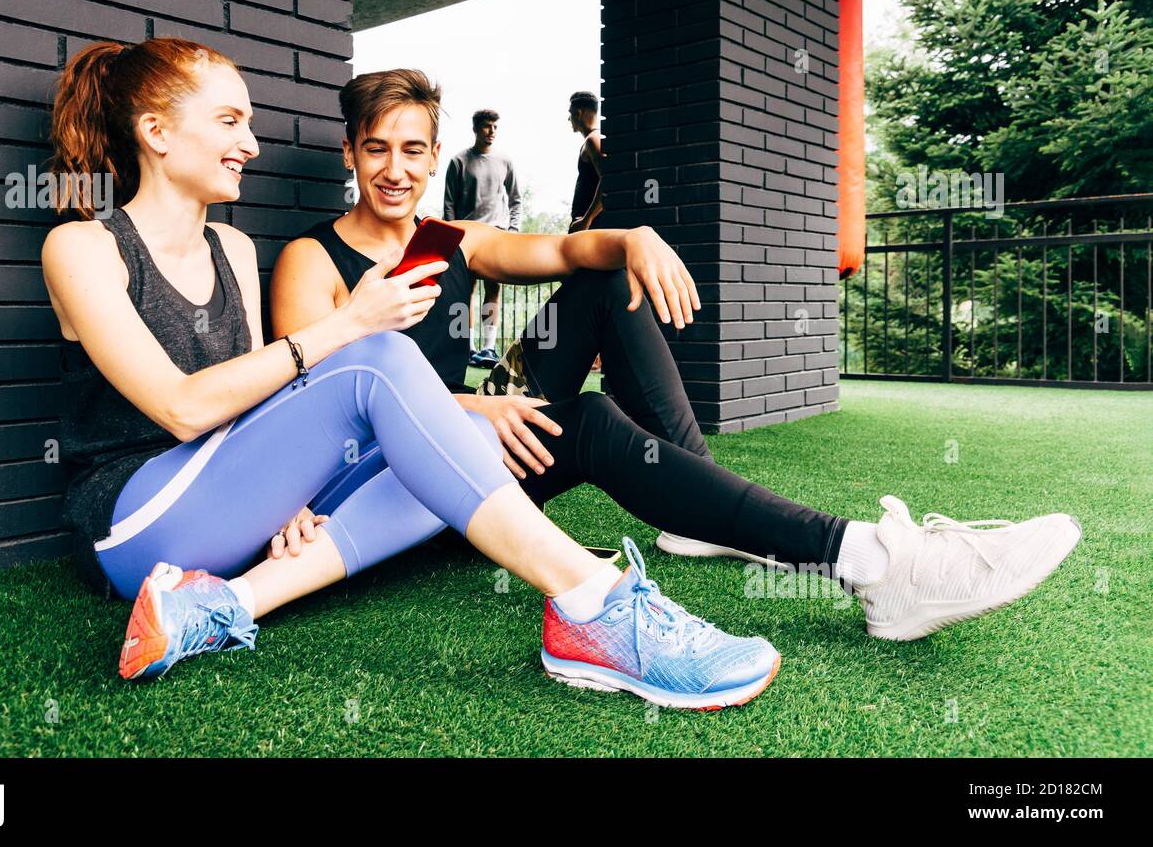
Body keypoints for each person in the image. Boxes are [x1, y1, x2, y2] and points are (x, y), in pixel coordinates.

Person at [42, 38, 781, 711]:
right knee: (381, 359)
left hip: (223, 505)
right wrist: (353, 323)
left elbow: (253, 410)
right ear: (157, 132)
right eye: (231, 121)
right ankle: (596, 604)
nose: (251, 143)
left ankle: (219, 606)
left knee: (456, 433)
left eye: (248, 123)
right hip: (132, 523)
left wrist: (283, 495)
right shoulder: (82, 247)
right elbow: (179, 409)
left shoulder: (231, 248)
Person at [275, 67, 1083, 647]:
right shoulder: (311, 262)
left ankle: (696, 512)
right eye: (377, 149)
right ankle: (873, 562)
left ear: (434, 153)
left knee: (602, 280)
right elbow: (310, 416)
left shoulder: (450, 241)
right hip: (400, 491)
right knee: (587, 418)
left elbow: (560, 248)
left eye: (414, 150)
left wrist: (633, 235)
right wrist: (468, 409)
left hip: (471, 442)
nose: (397, 170)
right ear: (349, 153)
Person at [442, 108, 522, 367]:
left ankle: (488, 349)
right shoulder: (459, 161)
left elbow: (515, 200)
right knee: (465, 292)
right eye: (487, 127)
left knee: (493, 292)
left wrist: (513, 231)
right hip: (466, 236)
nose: (491, 132)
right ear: (476, 128)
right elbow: (449, 204)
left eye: (495, 127)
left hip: (497, 235)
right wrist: (453, 235)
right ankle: (466, 347)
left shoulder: (505, 161)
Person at [567, 91, 603, 233]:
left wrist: (586, 220)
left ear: (578, 113)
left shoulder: (593, 140)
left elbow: (607, 181)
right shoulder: (591, 141)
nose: (568, 119)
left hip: (591, 228)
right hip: (586, 225)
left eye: (570, 113)